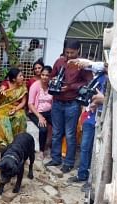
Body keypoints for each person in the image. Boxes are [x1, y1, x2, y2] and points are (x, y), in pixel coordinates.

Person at [44, 40, 93, 173]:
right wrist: (53, 80)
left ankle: (69, 162)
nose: (69, 55)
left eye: (72, 52)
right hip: (57, 102)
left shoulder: (82, 65)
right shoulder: (59, 62)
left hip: (72, 103)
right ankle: (55, 158)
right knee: (56, 132)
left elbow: (88, 82)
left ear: (78, 50)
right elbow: (50, 77)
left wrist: (71, 87)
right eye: (67, 52)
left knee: (70, 134)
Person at [66, 59, 106, 190]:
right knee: (85, 147)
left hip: (102, 119)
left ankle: (92, 182)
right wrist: (79, 61)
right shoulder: (99, 75)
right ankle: (82, 175)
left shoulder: (113, 80)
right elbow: (91, 64)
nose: (105, 65)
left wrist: (102, 101)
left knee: (97, 151)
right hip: (90, 117)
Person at [0, 68, 28, 149]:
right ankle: (3, 142)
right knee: (0, 115)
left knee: (20, 116)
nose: (22, 77)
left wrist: (15, 109)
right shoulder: (6, 84)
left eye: (22, 75)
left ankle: (18, 141)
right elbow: (2, 88)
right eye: (20, 76)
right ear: (14, 79)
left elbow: (23, 102)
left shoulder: (23, 87)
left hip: (17, 107)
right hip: (3, 107)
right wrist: (2, 90)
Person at [28, 65, 53, 160]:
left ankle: (51, 147)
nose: (44, 77)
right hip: (35, 112)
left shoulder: (51, 86)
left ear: (50, 76)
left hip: (49, 112)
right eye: (43, 75)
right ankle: (41, 151)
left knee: (59, 127)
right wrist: (40, 116)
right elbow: (30, 104)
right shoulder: (35, 86)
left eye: (47, 75)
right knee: (43, 129)